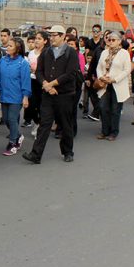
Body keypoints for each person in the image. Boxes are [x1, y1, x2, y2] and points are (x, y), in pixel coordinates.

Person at [22, 25, 80, 163]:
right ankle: (36, 154)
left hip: (65, 95)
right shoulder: (46, 52)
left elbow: (71, 74)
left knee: (65, 125)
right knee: (44, 124)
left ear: (62, 36)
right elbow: (39, 71)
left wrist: (52, 84)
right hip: (48, 94)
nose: (52, 38)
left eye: (55, 35)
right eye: (51, 35)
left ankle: (67, 151)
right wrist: (45, 85)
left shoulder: (70, 52)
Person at [94, 31, 132, 141]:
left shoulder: (124, 53)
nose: (110, 42)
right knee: (102, 107)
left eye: (113, 40)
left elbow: (127, 70)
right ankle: (104, 131)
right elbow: (99, 67)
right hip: (105, 84)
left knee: (115, 110)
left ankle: (113, 132)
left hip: (117, 84)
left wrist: (114, 79)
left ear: (119, 41)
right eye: (109, 39)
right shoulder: (104, 52)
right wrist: (101, 77)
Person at [0, 37, 31, 155]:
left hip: (17, 97)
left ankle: (13, 143)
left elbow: (26, 81)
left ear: (18, 49)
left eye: (11, 46)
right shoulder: (2, 60)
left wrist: (25, 96)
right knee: (6, 120)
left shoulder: (23, 63)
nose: (7, 47)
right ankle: (18, 135)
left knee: (12, 119)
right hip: (4, 95)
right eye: (8, 45)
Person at [23, 30, 47, 134]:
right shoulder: (31, 53)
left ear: (45, 41)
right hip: (31, 81)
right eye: (36, 38)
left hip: (42, 82)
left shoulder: (47, 53)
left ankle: (40, 127)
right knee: (30, 106)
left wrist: (36, 70)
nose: (36, 41)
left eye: (39, 39)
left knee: (41, 106)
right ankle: (37, 122)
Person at [82, 24, 106, 121]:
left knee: (100, 91)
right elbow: (87, 53)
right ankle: (91, 110)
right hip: (91, 66)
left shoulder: (102, 43)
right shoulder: (89, 42)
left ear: (100, 32)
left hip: (101, 69)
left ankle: (98, 111)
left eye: (97, 31)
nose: (95, 33)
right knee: (90, 91)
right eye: (94, 31)